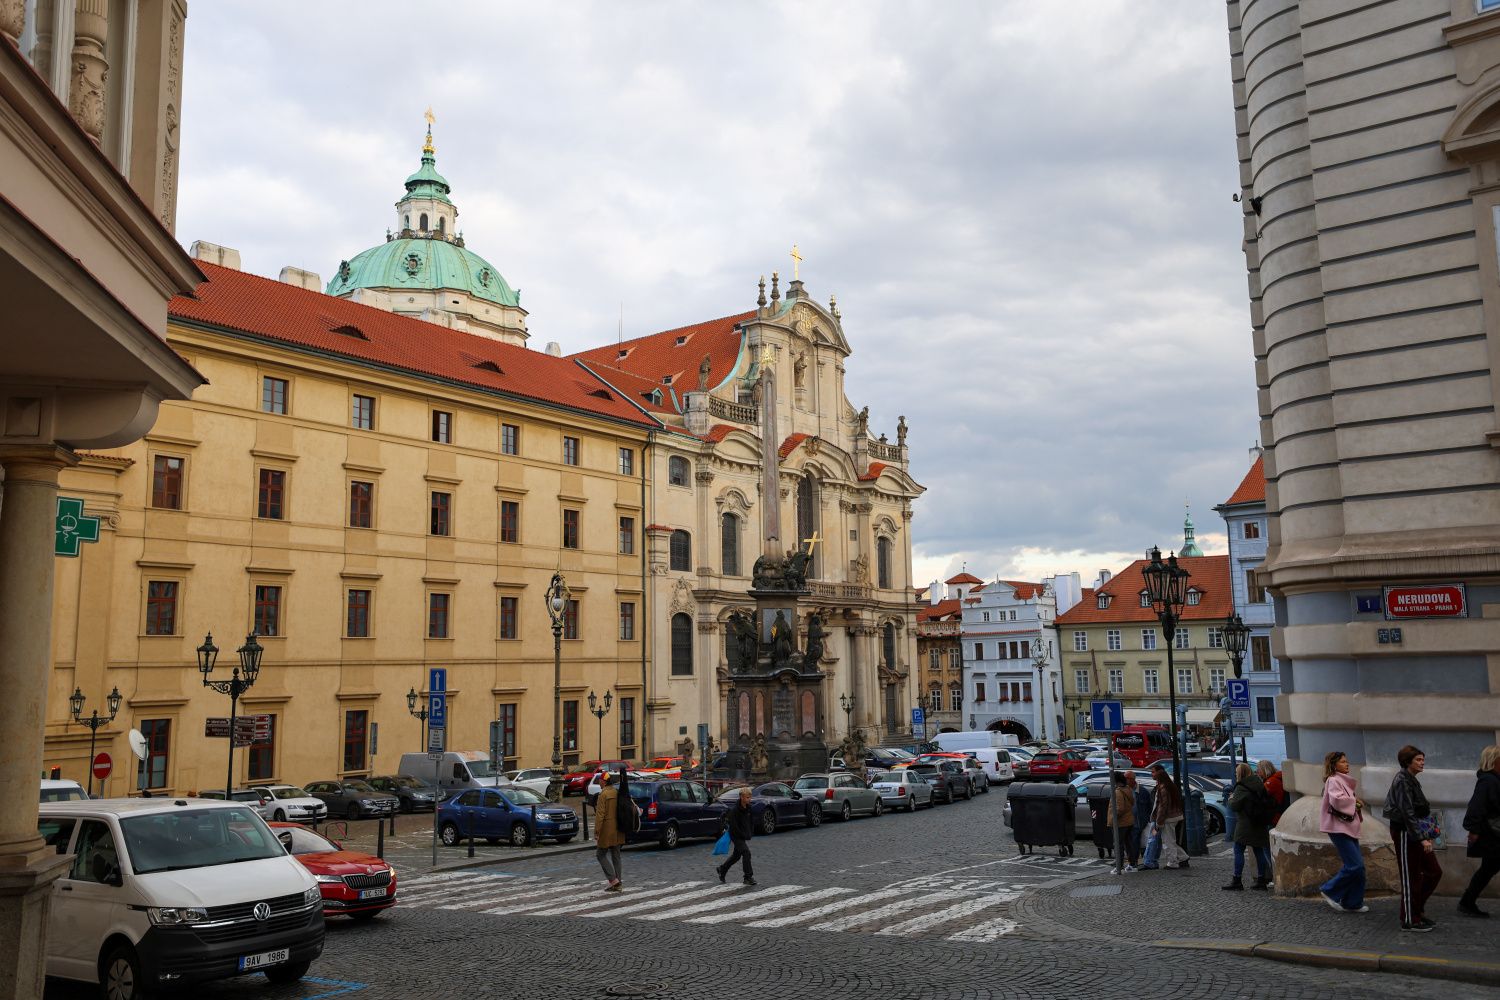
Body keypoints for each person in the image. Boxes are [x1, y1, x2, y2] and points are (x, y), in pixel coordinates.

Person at [1385, 744, 1441, 931]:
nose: (1422, 762)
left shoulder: (1411, 779)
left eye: (1422, 759)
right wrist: (1421, 839)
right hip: (1405, 833)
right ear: (1407, 761)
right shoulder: (1402, 780)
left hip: (1415, 832)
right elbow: (1407, 812)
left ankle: (1416, 909)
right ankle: (1410, 919)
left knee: (1434, 872)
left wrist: (1425, 835)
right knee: (1411, 877)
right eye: (1418, 759)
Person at [1317, 750, 1367, 913]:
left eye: (1346, 761)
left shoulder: (1339, 780)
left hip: (1346, 826)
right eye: (1343, 762)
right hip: (1339, 827)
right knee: (1355, 865)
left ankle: (1352, 902)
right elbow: (1337, 800)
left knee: (1358, 867)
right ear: (1333, 765)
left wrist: (1354, 803)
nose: (1347, 764)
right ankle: (1330, 890)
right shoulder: (1334, 780)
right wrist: (1355, 801)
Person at [1459, 744, 1500, 917]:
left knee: (1488, 868)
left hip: (1493, 833)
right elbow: (1476, 806)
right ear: (1496, 760)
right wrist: (1473, 829)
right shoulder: (1488, 780)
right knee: (1489, 868)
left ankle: (1467, 901)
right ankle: (1467, 902)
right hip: (1491, 833)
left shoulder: (1493, 779)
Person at [1225, 761, 1273, 890]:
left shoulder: (1242, 787)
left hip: (1246, 823)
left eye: (1236, 773)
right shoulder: (1259, 784)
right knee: (1258, 850)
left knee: (1238, 850)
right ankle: (1261, 880)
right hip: (1259, 821)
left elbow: (1235, 806)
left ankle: (1237, 880)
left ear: (1240, 773)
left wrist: (1230, 799)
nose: (1235, 775)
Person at [593, 771, 629, 891]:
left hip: (607, 829)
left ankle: (612, 879)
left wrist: (597, 831)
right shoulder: (616, 792)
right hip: (618, 828)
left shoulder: (603, 795)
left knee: (600, 854)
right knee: (616, 856)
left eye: (600, 780)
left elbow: (600, 815)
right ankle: (618, 883)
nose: (599, 781)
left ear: (603, 781)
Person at [1149, 765, 1188, 869]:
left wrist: (1159, 823)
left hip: (1167, 819)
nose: (1151, 774)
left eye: (1153, 772)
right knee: (1171, 840)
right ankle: (1182, 857)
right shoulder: (1170, 787)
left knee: (1168, 841)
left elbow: (1162, 808)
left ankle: (1172, 863)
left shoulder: (1162, 789)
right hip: (1174, 817)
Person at [717, 786, 757, 885]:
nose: (749, 799)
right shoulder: (735, 810)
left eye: (750, 797)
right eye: (747, 797)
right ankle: (748, 877)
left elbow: (751, 821)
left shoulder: (749, 808)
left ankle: (722, 869)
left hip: (744, 835)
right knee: (746, 853)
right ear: (741, 797)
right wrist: (743, 834)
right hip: (736, 835)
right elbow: (734, 826)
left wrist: (750, 832)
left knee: (736, 856)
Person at [1107, 772, 1137, 873]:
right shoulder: (1127, 789)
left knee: (1118, 844)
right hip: (1129, 821)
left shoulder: (1118, 792)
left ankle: (1119, 866)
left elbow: (1119, 809)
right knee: (1128, 843)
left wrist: (1112, 819)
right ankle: (1132, 864)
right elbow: (1132, 802)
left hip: (1121, 823)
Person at [1126, 770, 1152, 868]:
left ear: (1132, 780)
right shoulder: (1124, 789)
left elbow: (1149, 805)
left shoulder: (1142, 791)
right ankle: (1132, 860)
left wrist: (1147, 818)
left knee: (1135, 842)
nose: (1124, 780)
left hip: (1138, 822)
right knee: (1129, 842)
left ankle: (1134, 861)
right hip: (1127, 821)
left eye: (1126, 778)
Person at [1258, 760, 1286, 825]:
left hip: (1274, 816)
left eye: (1259, 769)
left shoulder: (1271, 782)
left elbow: (1259, 794)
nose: (1257, 771)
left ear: (1264, 770)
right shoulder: (1276, 778)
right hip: (1277, 813)